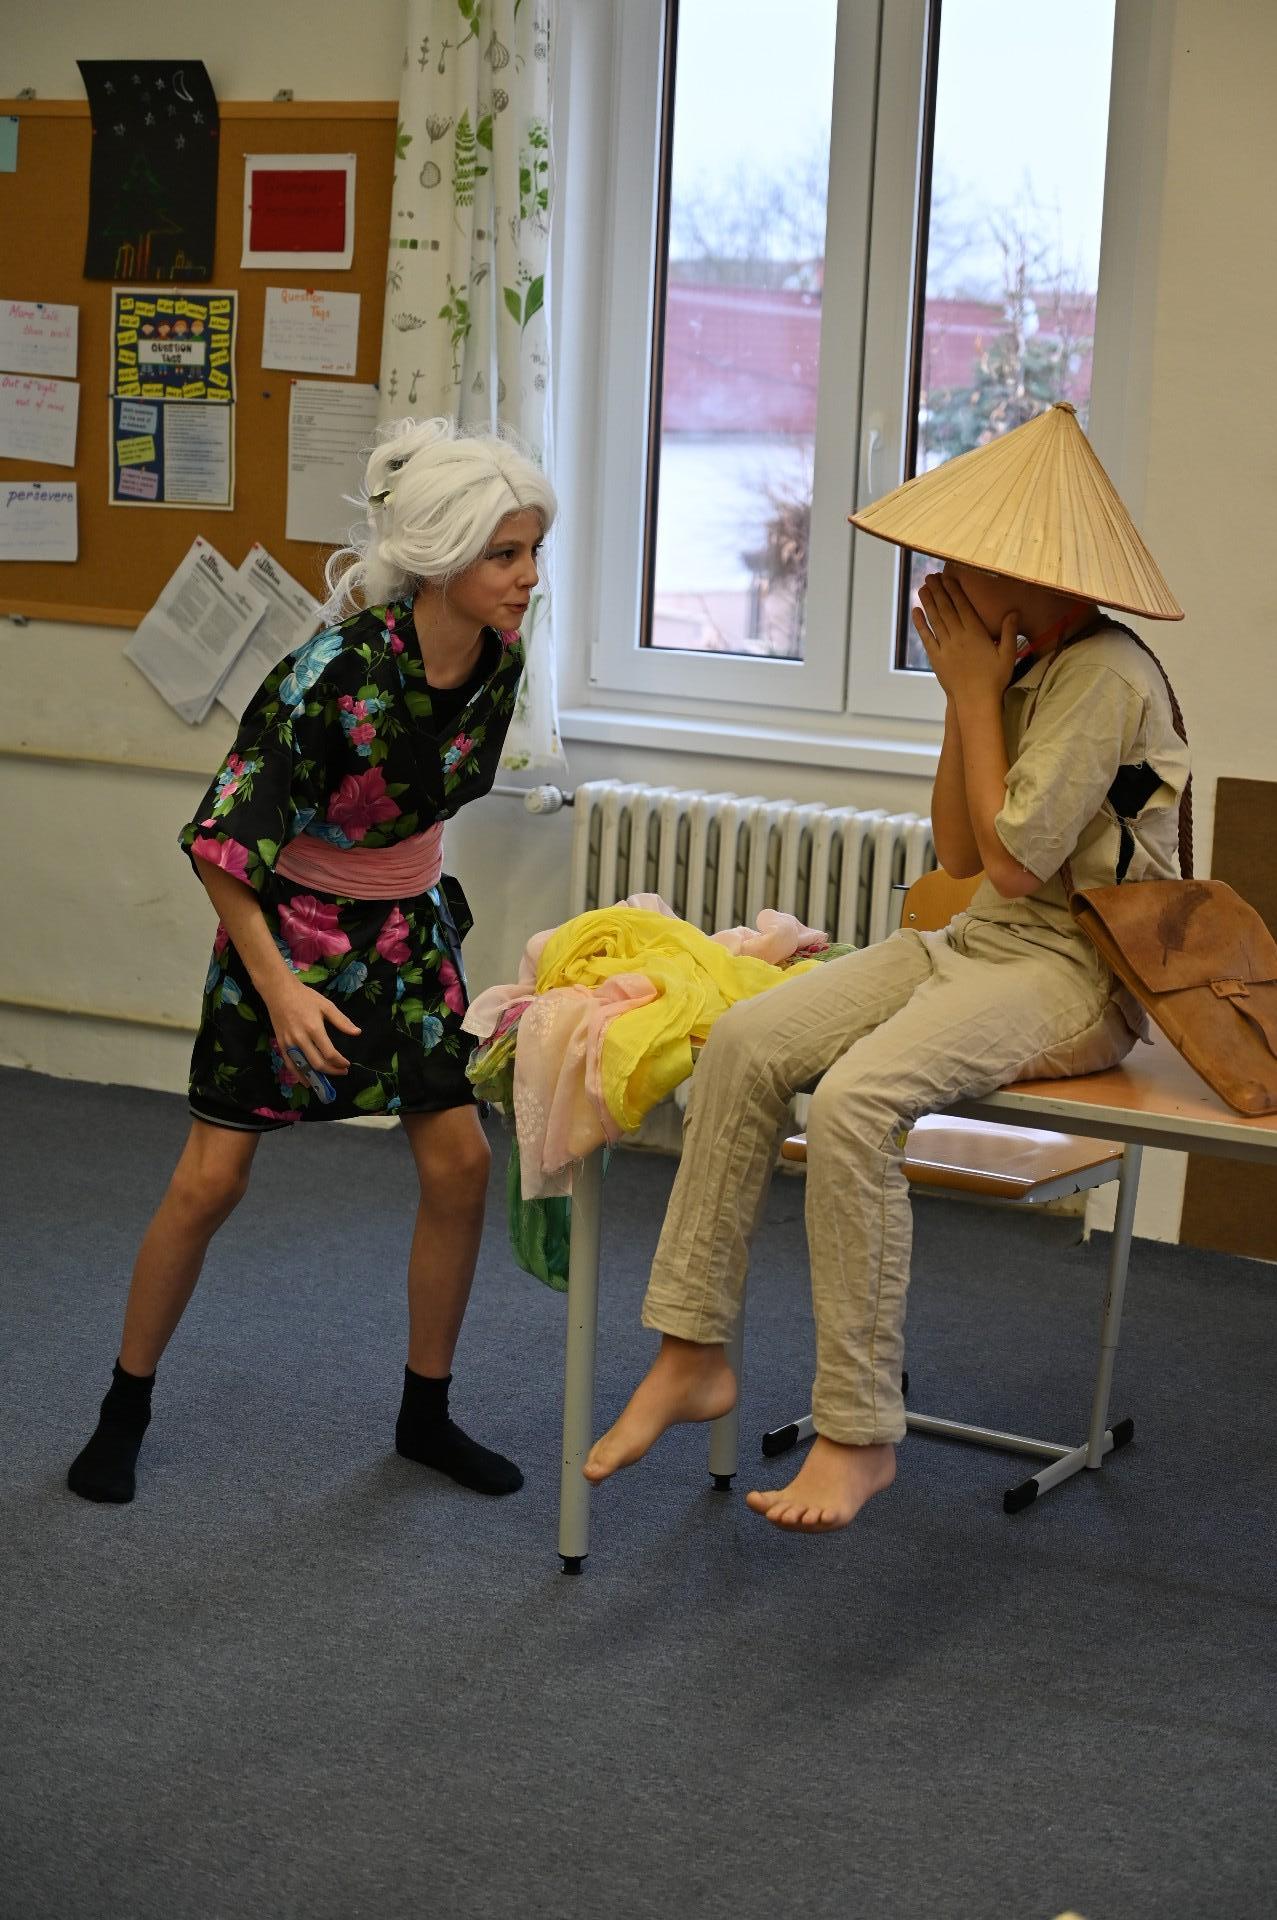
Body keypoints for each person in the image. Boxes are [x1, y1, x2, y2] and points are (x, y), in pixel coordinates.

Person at [583, 402, 1190, 1532]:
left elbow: (1012, 864)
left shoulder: (1102, 675)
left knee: (858, 1102)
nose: (941, 585)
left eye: (964, 565)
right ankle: (690, 1348)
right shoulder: (1020, 662)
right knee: (745, 1043)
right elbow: (955, 853)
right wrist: (968, 695)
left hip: (1074, 972)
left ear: (1033, 574)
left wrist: (971, 694)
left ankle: (859, 1434)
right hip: (981, 943)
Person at [67, 417, 556, 1505]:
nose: (528, 576)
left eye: (532, 552)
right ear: (441, 557)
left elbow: (422, 813)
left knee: (461, 1165)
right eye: (504, 554)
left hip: (409, 932)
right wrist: (279, 987)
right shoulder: (329, 674)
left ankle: (425, 1415)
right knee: (211, 1180)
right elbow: (220, 845)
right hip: (284, 933)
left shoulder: (499, 662)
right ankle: (122, 1408)